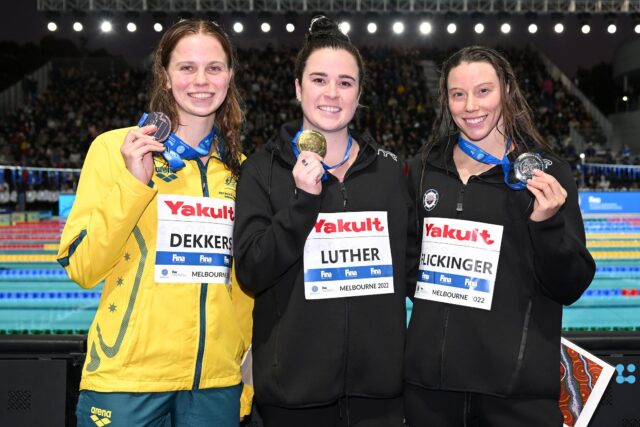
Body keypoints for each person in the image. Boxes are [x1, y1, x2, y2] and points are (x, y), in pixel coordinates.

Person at [56, 19, 253, 426]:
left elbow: (244, 285)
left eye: (214, 68)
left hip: (214, 386)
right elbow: (81, 266)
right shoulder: (115, 149)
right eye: (186, 67)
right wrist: (132, 183)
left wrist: (241, 380)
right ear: (165, 75)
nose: (201, 80)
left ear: (229, 77)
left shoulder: (242, 172)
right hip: (127, 380)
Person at [233, 16, 414, 427]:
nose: (332, 93)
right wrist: (301, 206)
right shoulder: (263, 170)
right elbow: (251, 271)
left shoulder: (390, 172)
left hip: (380, 398)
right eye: (318, 80)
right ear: (298, 88)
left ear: (359, 93)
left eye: (345, 83)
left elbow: (416, 270)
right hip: (292, 398)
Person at [405, 46, 595, 426]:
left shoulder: (546, 173)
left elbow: (570, 285)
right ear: (446, 100)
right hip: (432, 393)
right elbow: (409, 263)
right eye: (458, 94)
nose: (471, 106)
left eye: (484, 91)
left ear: (507, 89)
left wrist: (547, 224)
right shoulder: (425, 168)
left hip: (515, 396)